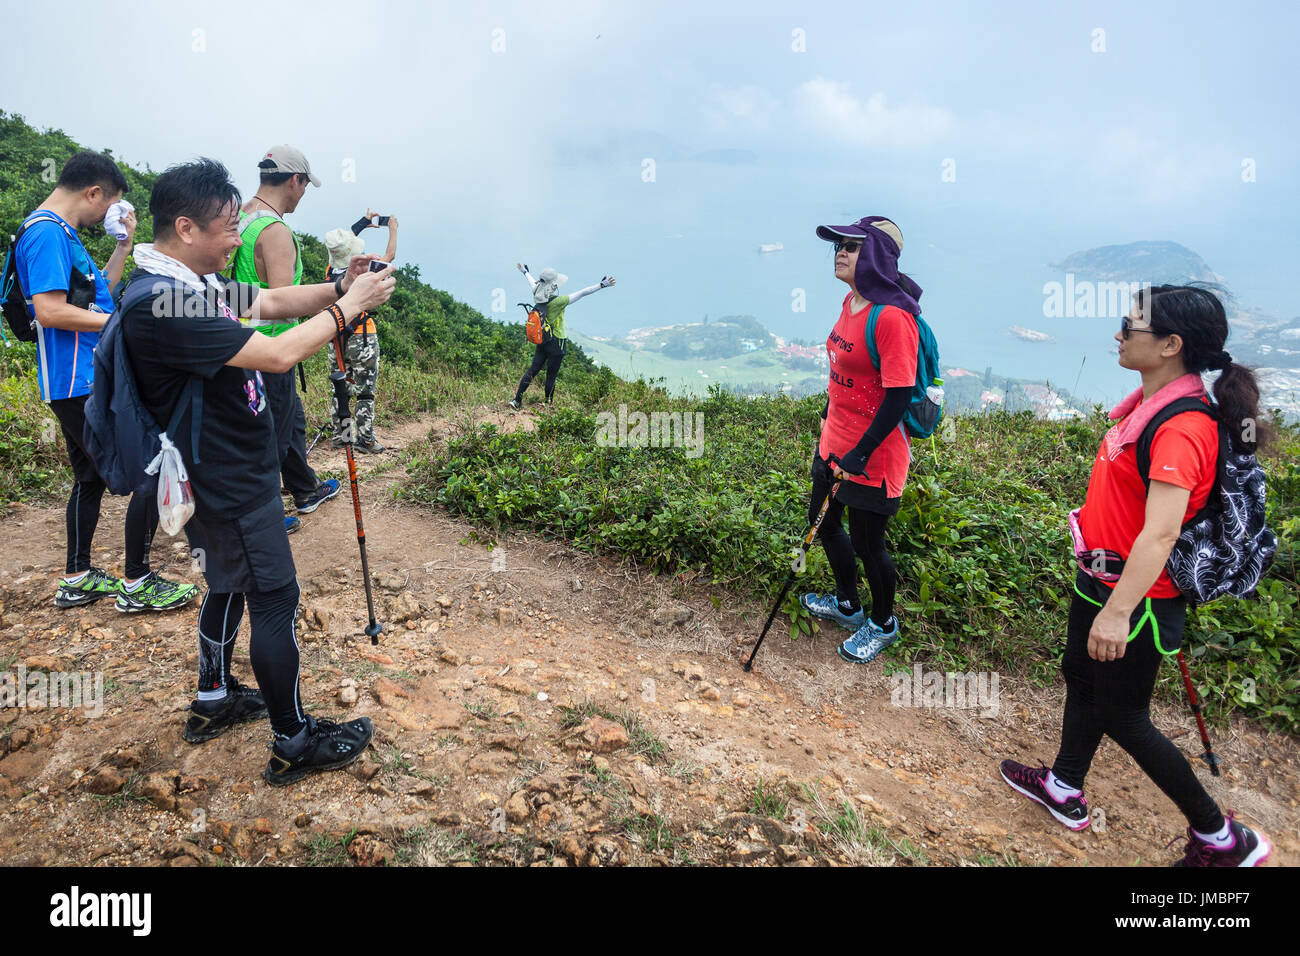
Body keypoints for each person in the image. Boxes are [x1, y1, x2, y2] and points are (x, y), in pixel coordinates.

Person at [120, 158, 394, 783]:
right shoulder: (167, 304)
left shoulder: (187, 284)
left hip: (212, 470)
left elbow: (269, 299)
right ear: (186, 228)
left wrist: (338, 287)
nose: (238, 236)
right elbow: (275, 353)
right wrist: (349, 311)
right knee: (274, 597)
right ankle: (292, 740)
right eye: (226, 227)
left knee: (224, 583)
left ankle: (215, 697)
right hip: (229, 478)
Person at [999, 285, 1272, 867]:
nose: (1119, 334)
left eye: (1130, 327)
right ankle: (1064, 786)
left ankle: (1222, 838)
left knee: (1124, 716)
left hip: (1139, 598)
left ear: (1171, 345)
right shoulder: (1145, 405)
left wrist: (1118, 612)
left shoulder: (1181, 428)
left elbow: (1161, 533)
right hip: (1099, 576)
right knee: (1080, 676)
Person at [14, 150, 197, 613]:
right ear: (93, 192)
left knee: (90, 477)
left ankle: (77, 576)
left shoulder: (63, 235)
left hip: (73, 378)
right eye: (109, 204)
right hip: (79, 380)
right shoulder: (46, 235)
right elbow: (50, 311)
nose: (107, 214)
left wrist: (122, 247)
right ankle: (137, 582)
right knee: (148, 465)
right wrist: (125, 323)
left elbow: (102, 295)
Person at [799, 216, 921, 665]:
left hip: (875, 455)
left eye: (852, 246)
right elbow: (842, 379)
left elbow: (898, 395)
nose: (841, 253)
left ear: (876, 256)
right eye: (839, 246)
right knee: (825, 522)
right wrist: (827, 435)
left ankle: (883, 622)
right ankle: (848, 604)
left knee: (871, 544)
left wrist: (861, 452)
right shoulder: (851, 303)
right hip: (834, 444)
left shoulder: (892, 319)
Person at [228, 145, 339, 533]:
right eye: (306, 185)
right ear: (295, 180)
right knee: (269, 434)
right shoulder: (275, 231)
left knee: (290, 419)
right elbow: (280, 300)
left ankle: (305, 487)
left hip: (238, 339)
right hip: (270, 347)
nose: (304, 193)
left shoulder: (240, 216)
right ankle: (264, 516)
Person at [323, 210, 397, 452]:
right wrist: (393, 229)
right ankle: (365, 439)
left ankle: (341, 438)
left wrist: (363, 223)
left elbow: (341, 244)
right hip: (361, 335)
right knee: (365, 390)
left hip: (334, 336)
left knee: (340, 388)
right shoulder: (362, 274)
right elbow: (390, 256)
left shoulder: (330, 272)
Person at [509, 263, 614, 409]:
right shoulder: (559, 301)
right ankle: (548, 405)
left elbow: (532, 282)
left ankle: (516, 401)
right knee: (551, 375)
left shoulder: (536, 294)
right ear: (553, 285)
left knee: (532, 370)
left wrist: (525, 272)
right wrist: (601, 285)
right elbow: (583, 292)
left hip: (542, 339)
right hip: (557, 342)